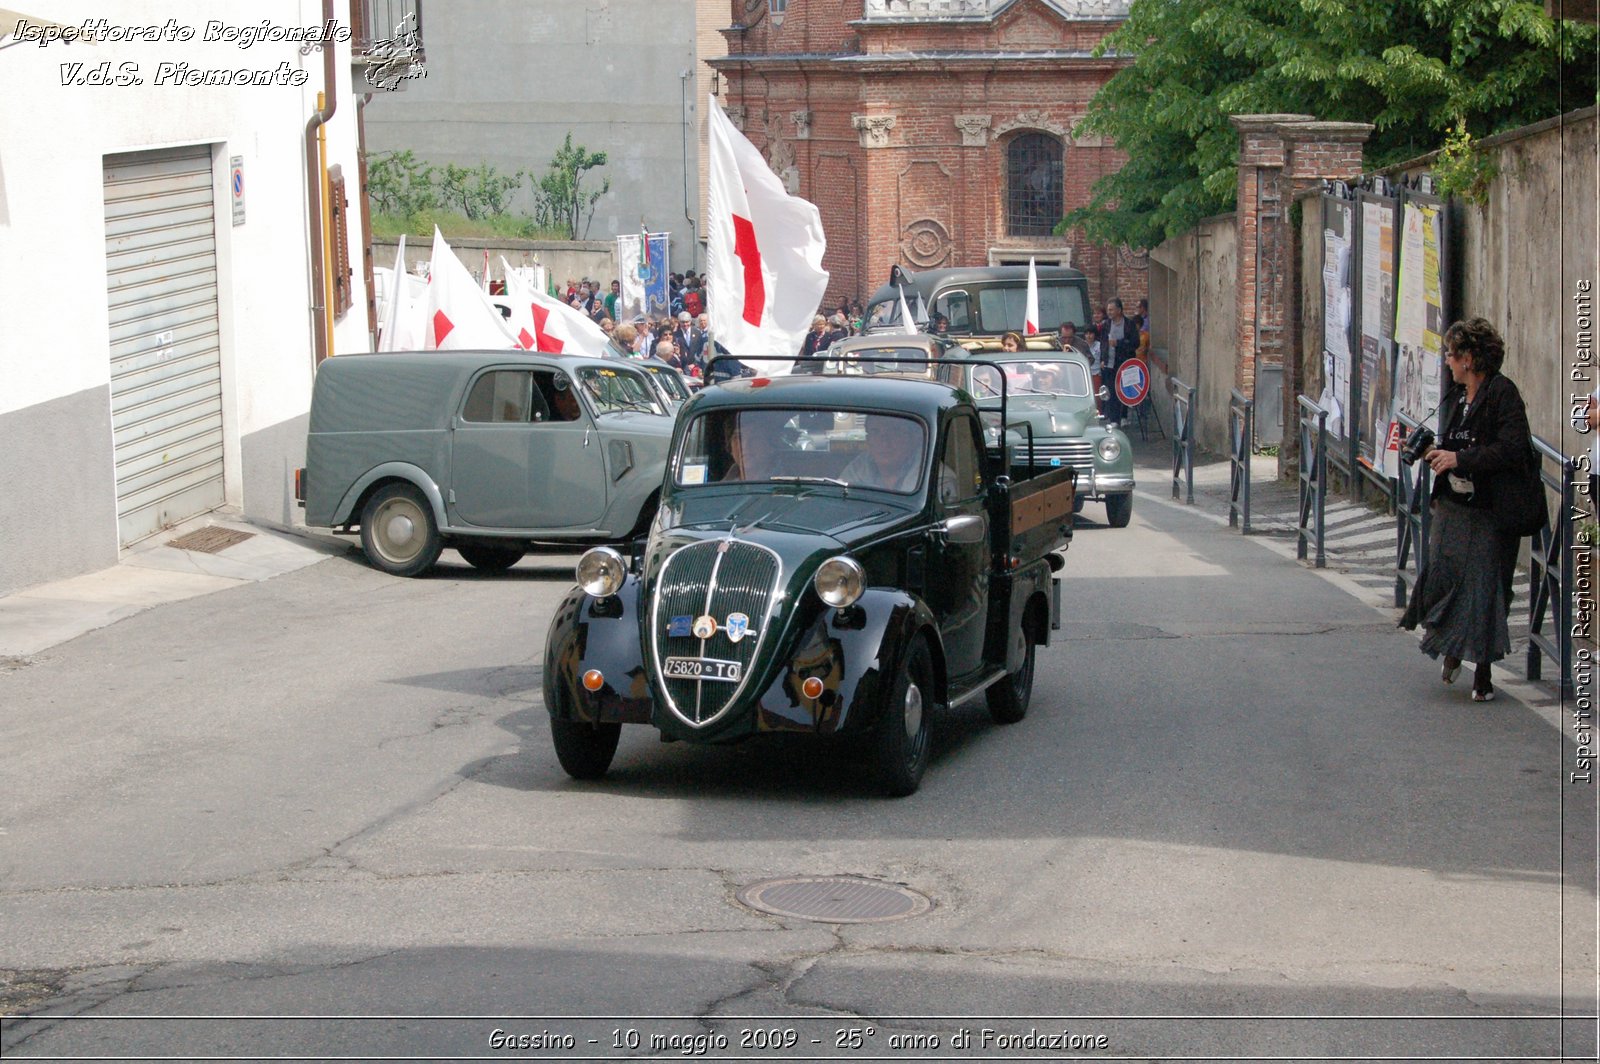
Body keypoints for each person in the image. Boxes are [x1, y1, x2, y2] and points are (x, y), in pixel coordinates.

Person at [1399, 318, 1534, 703]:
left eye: (1451, 354)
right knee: (1444, 579)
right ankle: (1453, 645)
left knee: (1485, 591)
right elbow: (1455, 447)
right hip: (1454, 507)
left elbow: (1512, 449)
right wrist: (1436, 456)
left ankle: (1483, 673)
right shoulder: (1458, 398)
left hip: (1492, 509)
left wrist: (1460, 458)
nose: (1446, 361)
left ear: (1470, 358)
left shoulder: (1502, 394)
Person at [840, 414, 926, 492]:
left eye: (894, 432)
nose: (884, 443)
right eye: (875, 432)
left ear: (912, 439)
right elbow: (841, 494)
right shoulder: (860, 466)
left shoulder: (926, 467)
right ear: (868, 440)